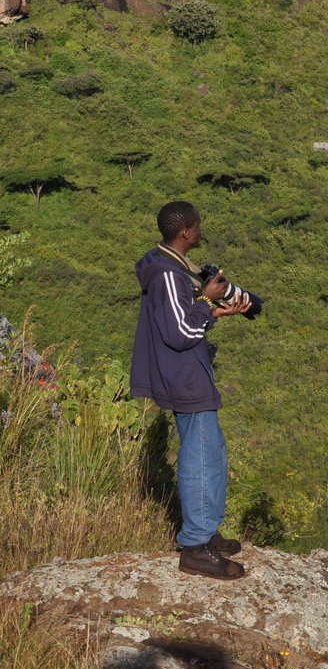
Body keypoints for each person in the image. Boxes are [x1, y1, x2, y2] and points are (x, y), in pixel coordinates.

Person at [130, 200, 253, 581]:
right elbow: (180, 333)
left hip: (190, 372)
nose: (201, 230)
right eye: (198, 226)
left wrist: (213, 312)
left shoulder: (173, 266)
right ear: (186, 232)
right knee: (200, 457)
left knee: (211, 451)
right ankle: (196, 547)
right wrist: (206, 301)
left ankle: (207, 532)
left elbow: (186, 321)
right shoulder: (168, 275)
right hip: (184, 374)